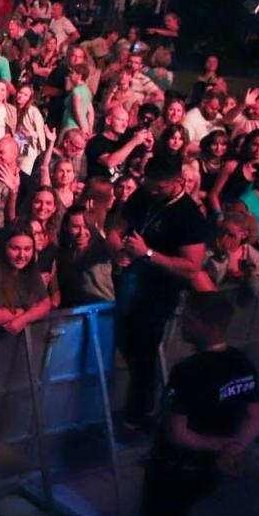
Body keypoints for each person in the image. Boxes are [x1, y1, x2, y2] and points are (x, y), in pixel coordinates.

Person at [138, 293, 259, 516]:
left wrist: (222, 445)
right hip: (211, 469)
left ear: (210, 325)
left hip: (176, 468)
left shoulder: (189, 371)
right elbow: (256, 413)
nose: (182, 322)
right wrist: (235, 447)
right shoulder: (241, 362)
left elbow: (177, 433)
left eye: (189, 318)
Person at [108, 153, 209, 434]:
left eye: (160, 187)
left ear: (178, 182)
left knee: (144, 352)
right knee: (126, 343)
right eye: (149, 184)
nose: (153, 191)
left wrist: (148, 254)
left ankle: (138, 415)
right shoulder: (142, 195)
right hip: (128, 280)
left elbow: (191, 267)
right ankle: (142, 408)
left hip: (158, 292)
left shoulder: (189, 215)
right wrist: (117, 250)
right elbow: (115, 229)